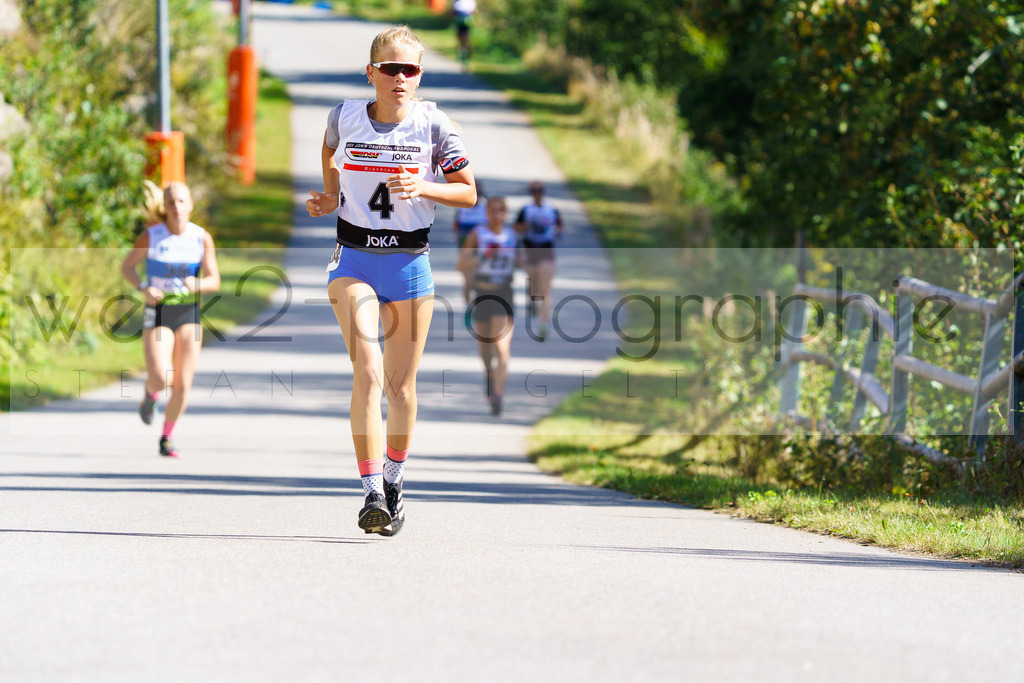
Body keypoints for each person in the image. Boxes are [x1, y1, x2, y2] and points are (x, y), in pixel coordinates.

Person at [305, 26, 476, 536]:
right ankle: (371, 492)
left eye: (411, 69)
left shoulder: (435, 125)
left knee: (401, 387)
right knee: (370, 372)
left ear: (420, 76)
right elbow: (329, 153)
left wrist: (424, 186)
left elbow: (468, 193)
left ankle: (396, 480)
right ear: (371, 72)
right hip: (353, 260)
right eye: (390, 68)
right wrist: (330, 196)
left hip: (408, 263)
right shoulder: (344, 115)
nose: (400, 78)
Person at [120, 181, 220, 459]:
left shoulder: (201, 238)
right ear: (164, 207)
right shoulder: (152, 236)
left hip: (188, 313)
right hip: (159, 312)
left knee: (183, 385)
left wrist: (196, 284)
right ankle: (150, 395)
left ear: (190, 205)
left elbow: (214, 280)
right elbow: (127, 267)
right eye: (171, 202)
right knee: (163, 377)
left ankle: (166, 437)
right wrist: (143, 288)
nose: (176, 207)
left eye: (181, 201)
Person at [457, 196, 519, 416]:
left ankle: (498, 395)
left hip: (504, 293)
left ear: (506, 213)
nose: (497, 214)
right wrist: (483, 256)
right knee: (485, 349)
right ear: (487, 213)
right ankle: (489, 375)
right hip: (482, 293)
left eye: (501, 210)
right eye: (493, 210)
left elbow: (522, 261)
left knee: (501, 348)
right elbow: (461, 263)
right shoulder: (478, 234)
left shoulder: (512, 235)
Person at [513, 180, 562, 341]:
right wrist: (524, 227)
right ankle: (533, 299)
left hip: (546, 251)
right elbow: (515, 229)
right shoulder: (526, 209)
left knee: (545, 288)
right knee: (534, 284)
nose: (537, 194)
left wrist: (556, 231)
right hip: (529, 249)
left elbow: (560, 226)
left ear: (543, 192)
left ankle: (543, 324)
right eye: (534, 191)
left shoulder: (551, 209)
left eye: (539, 191)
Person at [453, 181, 487, 323]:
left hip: (481, 251)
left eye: (478, 194)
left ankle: (480, 306)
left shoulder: (485, 209)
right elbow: (455, 227)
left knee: (479, 280)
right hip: (466, 251)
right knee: (468, 281)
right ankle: (468, 306)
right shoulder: (462, 209)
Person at [452, 0, 476, 65]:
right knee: (459, 38)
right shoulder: (457, 1)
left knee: (465, 38)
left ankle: (466, 54)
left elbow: (474, 10)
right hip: (458, 21)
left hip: (466, 22)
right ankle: (462, 53)